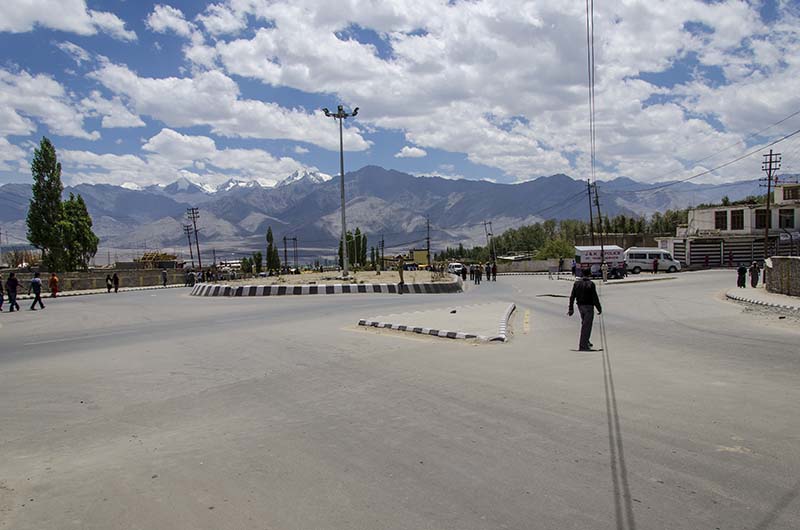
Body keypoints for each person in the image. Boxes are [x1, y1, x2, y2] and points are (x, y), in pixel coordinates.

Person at [568, 268, 602, 351]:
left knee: (584, 324)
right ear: (589, 274)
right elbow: (595, 297)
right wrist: (599, 308)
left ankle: (586, 341)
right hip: (589, 307)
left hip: (580, 307)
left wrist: (571, 308)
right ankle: (583, 345)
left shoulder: (577, 283)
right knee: (586, 326)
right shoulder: (591, 284)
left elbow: (572, 296)